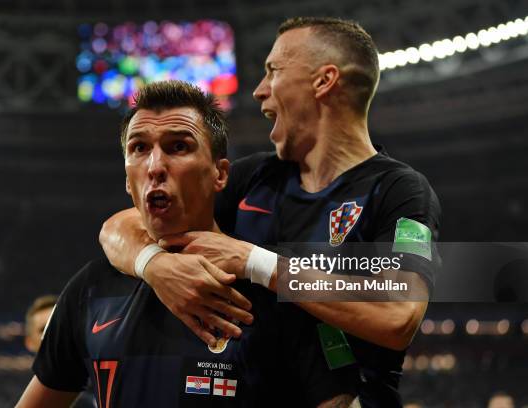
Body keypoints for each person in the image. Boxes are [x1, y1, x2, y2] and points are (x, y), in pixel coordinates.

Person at [99, 17, 441, 407]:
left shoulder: (400, 191)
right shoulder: (257, 177)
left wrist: (257, 263)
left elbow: (398, 318)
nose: (260, 91)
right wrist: (154, 265)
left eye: (273, 72)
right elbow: (122, 225)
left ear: (324, 81)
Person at [17, 80, 358, 408]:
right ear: (126, 179)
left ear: (220, 174)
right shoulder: (90, 289)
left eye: (178, 146)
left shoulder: (278, 290)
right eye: (139, 148)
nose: (155, 166)